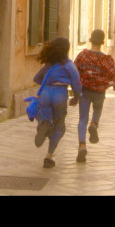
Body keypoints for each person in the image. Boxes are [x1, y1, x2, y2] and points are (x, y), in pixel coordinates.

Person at [70, 29, 115, 163]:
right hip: (99, 92)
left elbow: (73, 71)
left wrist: (74, 92)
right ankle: (94, 124)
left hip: (85, 91)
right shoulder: (105, 58)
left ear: (90, 39)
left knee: (82, 118)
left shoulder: (83, 55)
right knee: (97, 109)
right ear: (102, 42)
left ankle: (82, 145)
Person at [32, 37, 82, 168]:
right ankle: (49, 156)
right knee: (60, 126)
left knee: (45, 117)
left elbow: (36, 78)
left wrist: (47, 82)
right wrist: (76, 98)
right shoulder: (69, 65)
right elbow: (77, 83)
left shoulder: (49, 65)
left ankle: (44, 125)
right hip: (60, 93)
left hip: (46, 93)